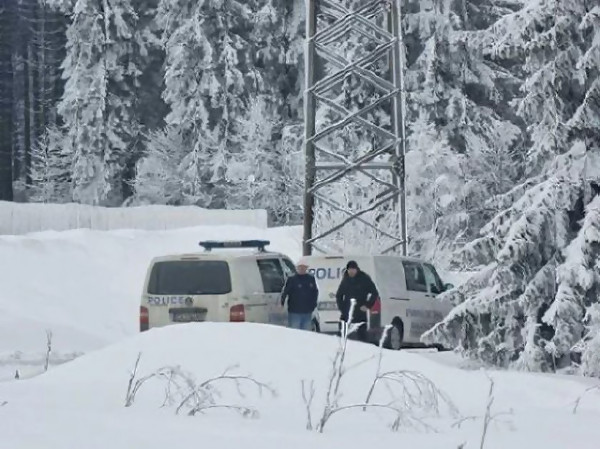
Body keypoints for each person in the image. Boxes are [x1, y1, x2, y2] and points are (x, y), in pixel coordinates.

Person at [335, 260, 379, 342]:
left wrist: (368, 305)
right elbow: (339, 295)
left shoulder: (364, 278)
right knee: (342, 333)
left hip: (360, 311)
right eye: (349, 270)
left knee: (361, 336)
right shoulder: (346, 279)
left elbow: (374, 293)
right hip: (347, 312)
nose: (351, 272)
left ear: (356, 269)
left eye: (353, 270)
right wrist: (342, 308)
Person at [280, 258, 319, 331]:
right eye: (300, 267)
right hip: (294, 312)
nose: (302, 269)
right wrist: (282, 303)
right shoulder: (292, 279)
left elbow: (315, 292)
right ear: (297, 268)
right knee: (295, 331)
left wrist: (313, 305)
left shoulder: (311, 279)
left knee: (306, 331)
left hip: (307, 312)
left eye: (304, 267)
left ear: (306, 268)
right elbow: (285, 292)